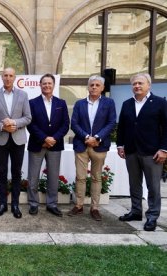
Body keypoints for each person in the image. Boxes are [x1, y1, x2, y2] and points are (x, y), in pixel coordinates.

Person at [117, 73, 167, 231]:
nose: (137, 86)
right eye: (134, 84)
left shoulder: (160, 103)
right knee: (134, 184)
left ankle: (152, 216)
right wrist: (120, 145)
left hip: (152, 152)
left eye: (140, 83)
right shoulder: (127, 104)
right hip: (131, 151)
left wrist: (164, 149)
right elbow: (122, 127)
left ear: (149, 85)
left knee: (153, 186)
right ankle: (136, 211)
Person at [0, 67, 32, 218]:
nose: (8, 78)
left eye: (11, 75)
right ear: (1, 77)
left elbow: (28, 117)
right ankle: (3, 204)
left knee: (16, 173)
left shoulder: (23, 95)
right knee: (2, 172)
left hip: (18, 139)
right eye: (5, 75)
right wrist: (3, 127)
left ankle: (16, 205)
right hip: (0, 139)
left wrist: (14, 123)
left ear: (14, 78)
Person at [69, 75, 116, 221]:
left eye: (97, 85)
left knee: (96, 178)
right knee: (80, 177)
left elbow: (111, 122)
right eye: (92, 85)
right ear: (88, 87)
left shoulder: (109, 103)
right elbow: (74, 123)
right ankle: (79, 205)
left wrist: (97, 138)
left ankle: (95, 208)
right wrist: (86, 137)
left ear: (102, 88)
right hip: (81, 145)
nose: (94, 87)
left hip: (99, 146)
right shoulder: (79, 104)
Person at [27, 73, 69, 217]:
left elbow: (65, 125)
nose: (47, 86)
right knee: (33, 177)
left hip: (55, 146)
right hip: (37, 144)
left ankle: (52, 204)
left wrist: (54, 138)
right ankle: (33, 204)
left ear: (53, 85)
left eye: (49, 83)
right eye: (44, 83)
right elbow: (30, 124)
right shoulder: (32, 103)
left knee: (53, 176)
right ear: (40, 85)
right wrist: (44, 138)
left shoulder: (61, 103)